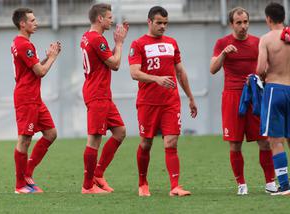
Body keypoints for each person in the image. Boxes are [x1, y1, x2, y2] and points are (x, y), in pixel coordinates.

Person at [128, 6, 197, 197]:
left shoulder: (171, 43)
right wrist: (157, 79)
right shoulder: (138, 44)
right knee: (146, 143)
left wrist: (190, 97)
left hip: (170, 102)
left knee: (171, 142)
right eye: (159, 22)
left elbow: (180, 72)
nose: (163, 26)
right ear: (149, 22)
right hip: (148, 102)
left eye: (165, 23)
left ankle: (175, 186)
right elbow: (134, 73)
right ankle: (143, 183)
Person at [210, 7, 276, 195]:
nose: (243, 26)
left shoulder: (258, 42)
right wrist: (224, 53)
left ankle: (270, 183)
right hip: (232, 96)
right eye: (239, 23)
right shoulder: (222, 43)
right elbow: (212, 69)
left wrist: (259, 79)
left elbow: (267, 69)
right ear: (232, 24)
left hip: (255, 96)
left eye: (245, 22)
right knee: (235, 143)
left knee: (264, 142)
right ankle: (241, 184)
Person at [11, 8, 61, 194]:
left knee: (50, 133)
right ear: (22, 24)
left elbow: (34, 66)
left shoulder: (21, 43)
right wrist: (53, 58)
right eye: (32, 20)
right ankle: (20, 185)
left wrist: (47, 56)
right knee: (25, 139)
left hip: (34, 98)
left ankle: (28, 173)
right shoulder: (24, 44)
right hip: (26, 97)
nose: (36, 22)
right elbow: (40, 71)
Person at [80, 3, 128, 194]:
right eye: (109, 17)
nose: (111, 20)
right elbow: (115, 64)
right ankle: (87, 186)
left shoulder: (87, 36)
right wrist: (119, 43)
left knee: (120, 131)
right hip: (97, 94)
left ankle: (98, 174)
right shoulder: (96, 39)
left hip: (102, 94)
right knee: (94, 140)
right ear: (100, 18)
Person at [257, 2, 290, 196]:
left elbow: (260, 69)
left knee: (275, 140)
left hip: (275, 90)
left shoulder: (266, 39)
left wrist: (263, 76)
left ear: (268, 18)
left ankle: (285, 185)